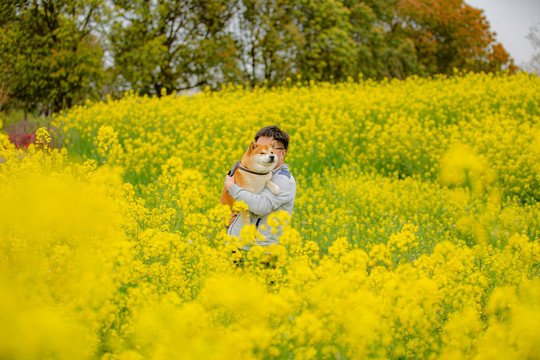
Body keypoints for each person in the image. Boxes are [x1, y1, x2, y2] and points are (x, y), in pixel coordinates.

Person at [224, 125, 296, 250]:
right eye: (258, 148)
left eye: (270, 148)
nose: (263, 151)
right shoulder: (251, 173)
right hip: (238, 246)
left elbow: (261, 206)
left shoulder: (283, 180)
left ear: (282, 153)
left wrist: (232, 187)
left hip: (262, 252)